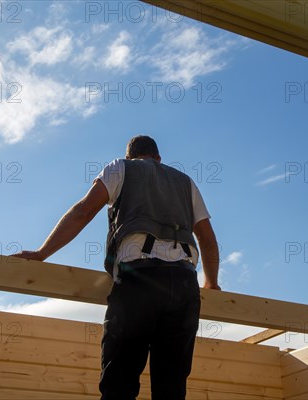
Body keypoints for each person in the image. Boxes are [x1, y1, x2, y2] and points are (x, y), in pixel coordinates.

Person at [14, 135, 220, 400]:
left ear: (130, 156)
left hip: (140, 280)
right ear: (158, 158)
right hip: (184, 284)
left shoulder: (120, 168)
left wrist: (42, 253)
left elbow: (82, 212)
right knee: (171, 387)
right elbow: (208, 240)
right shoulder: (185, 183)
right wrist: (211, 283)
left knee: (118, 382)